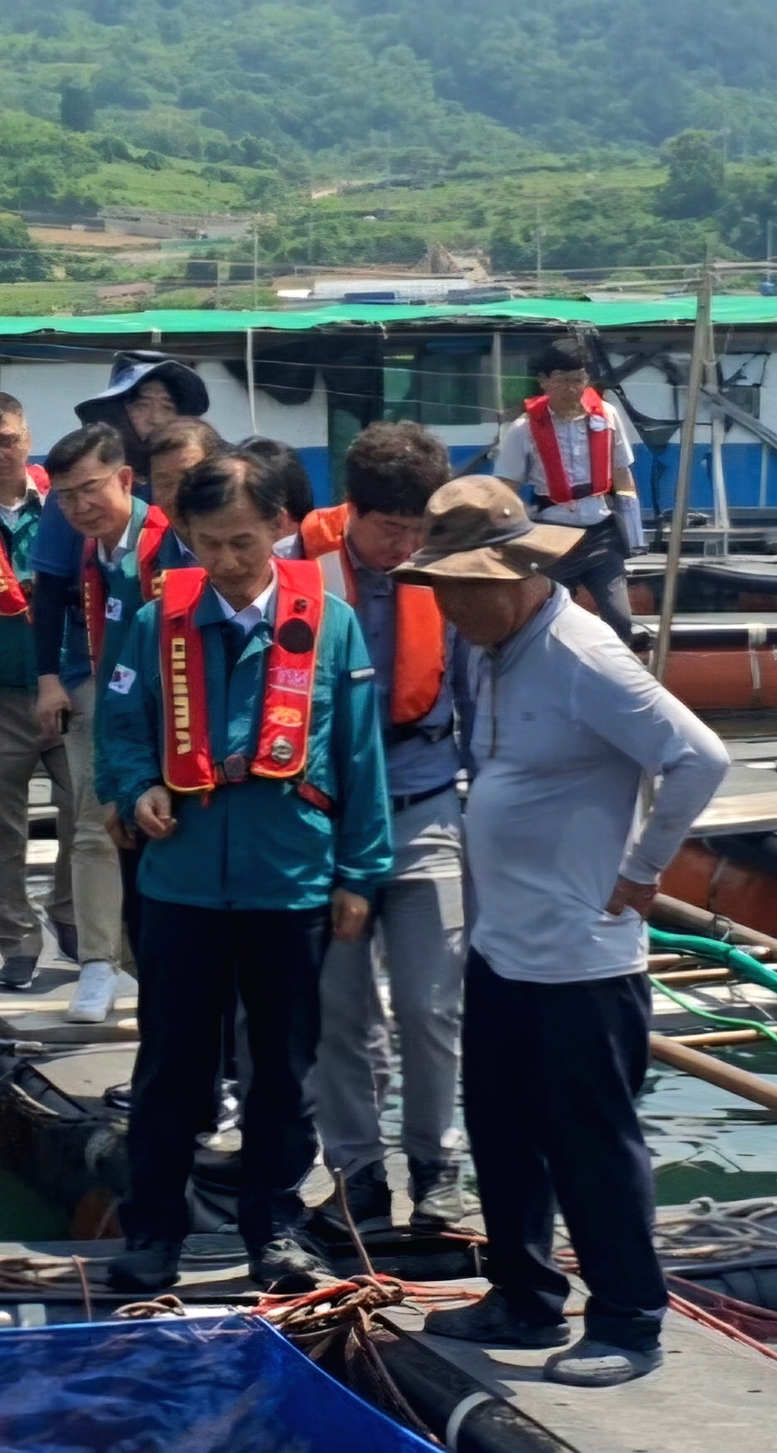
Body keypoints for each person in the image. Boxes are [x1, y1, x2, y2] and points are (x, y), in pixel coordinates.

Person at [410, 475, 727, 1389]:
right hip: (504, 941)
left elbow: (696, 756)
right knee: (502, 1128)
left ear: (515, 575)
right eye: (441, 586)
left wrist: (643, 868)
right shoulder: (487, 651)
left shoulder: (585, 652)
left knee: (592, 1142)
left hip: (584, 956)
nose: (450, 605)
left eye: (463, 587)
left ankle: (628, 1319)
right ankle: (522, 1292)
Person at [94, 450, 394, 1298]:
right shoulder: (158, 624)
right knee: (170, 1068)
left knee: (283, 1069)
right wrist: (135, 785)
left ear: (280, 530)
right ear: (183, 537)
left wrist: (361, 874)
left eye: (242, 542)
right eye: (207, 544)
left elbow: (357, 753)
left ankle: (275, 1229)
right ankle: (154, 1231)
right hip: (181, 882)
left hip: (291, 879)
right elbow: (119, 727)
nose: (226, 562)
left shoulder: (329, 625)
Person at [303, 421, 477, 1242]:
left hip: (425, 804)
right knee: (340, 1011)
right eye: (388, 529)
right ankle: (356, 1175)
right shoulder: (301, 579)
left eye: (418, 529)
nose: (403, 544)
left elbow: (479, 696)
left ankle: (438, 1170)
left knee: (431, 1000)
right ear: (351, 513)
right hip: (329, 827)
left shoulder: (450, 579)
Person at [0, 392, 122, 995]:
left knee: (85, 816)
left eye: (6, 439)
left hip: (67, 686)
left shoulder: (64, 505)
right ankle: (15, 940)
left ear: (27, 437)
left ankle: (70, 916)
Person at [45, 420, 195, 1025]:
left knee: (166, 834)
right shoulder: (92, 549)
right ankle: (97, 963)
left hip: (183, 710)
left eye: (91, 489)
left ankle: (156, 973)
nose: (80, 506)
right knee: (92, 821)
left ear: (127, 479)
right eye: (65, 496)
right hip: (113, 701)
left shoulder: (172, 542)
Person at [32, 355, 208, 715]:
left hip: (181, 670)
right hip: (94, 664)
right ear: (117, 410)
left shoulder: (197, 480)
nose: (155, 417)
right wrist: (47, 677)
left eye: (167, 406)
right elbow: (48, 587)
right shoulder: (76, 484)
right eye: (142, 405)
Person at [492, 335, 646, 641]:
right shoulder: (523, 429)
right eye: (563, 380)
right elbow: (504, 489)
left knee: (620, 621)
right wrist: (508, 541)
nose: (573, 389)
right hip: (551, 536)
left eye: (579, 379)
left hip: (601, 533)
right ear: (544, 381)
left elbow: (622, 476)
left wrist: (635, 536)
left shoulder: (607, 415)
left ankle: (613, 683)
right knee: (540, 624)